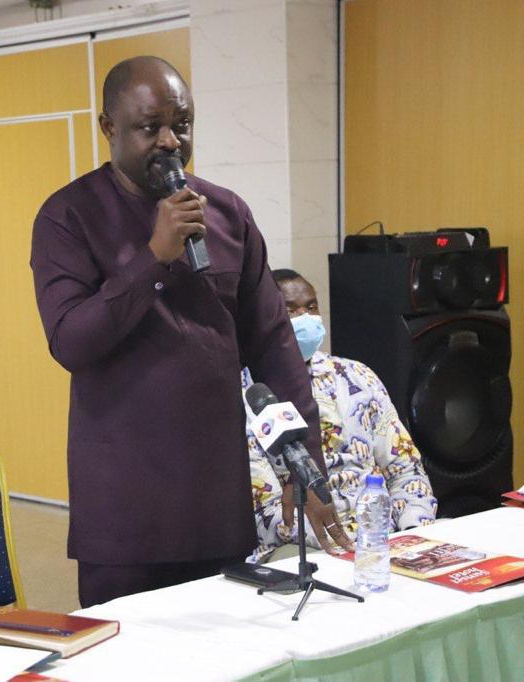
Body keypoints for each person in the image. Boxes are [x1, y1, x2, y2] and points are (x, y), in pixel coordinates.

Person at [30, 56, 354, 608]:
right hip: (124, 508)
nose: (169, 142)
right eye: (148, 126)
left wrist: (304, 466)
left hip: (215, 501)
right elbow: (71, 341)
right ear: (109, 128)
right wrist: (153, 258)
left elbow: (275, 349)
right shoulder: (68, 217)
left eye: (181, 125)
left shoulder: (228, 214)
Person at [245, 270, 437, 562]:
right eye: (291, 310)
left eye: (311, 307)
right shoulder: (249, 395)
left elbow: (406, 470)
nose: (306, 318)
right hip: (304, 547)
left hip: (384, 536)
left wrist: (415, 533)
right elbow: (266, 513)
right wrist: (349, 548)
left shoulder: (357, 376)